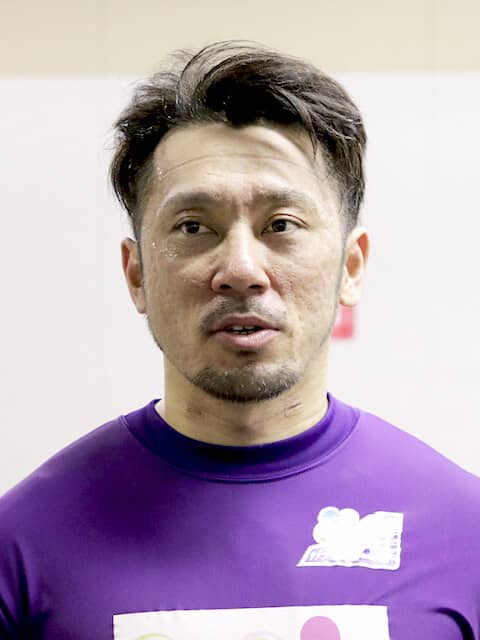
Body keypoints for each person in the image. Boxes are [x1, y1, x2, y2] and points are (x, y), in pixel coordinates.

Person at [0, 41, 479, 640]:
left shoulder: (465, 530)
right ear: (137, 274)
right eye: (193, 227)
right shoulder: (22, 543)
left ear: (351, 267)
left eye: (282, 224)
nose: (241, 270)